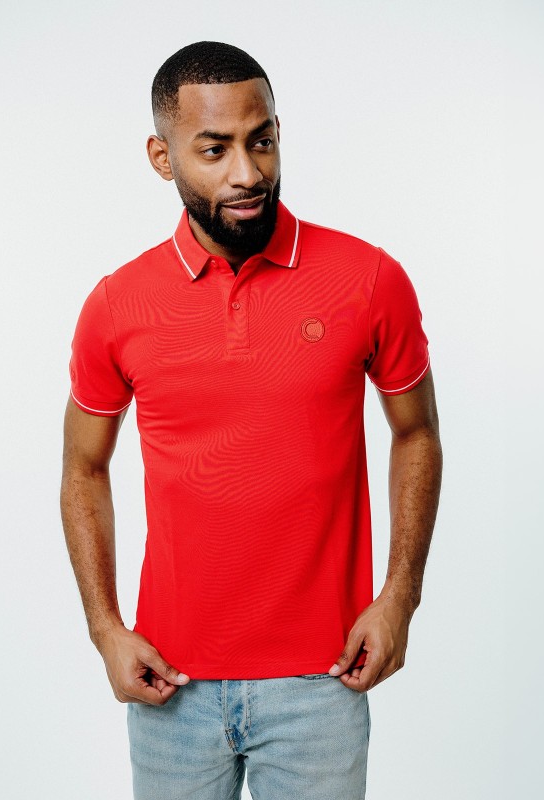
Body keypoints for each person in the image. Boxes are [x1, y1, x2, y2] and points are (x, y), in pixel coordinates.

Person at [60, 40, 442, 800]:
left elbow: (416, 432)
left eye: (261, 140)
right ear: (162, 158)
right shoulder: (117, 304)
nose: (247, 172)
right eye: (215, 150)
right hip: (170, 682)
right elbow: (83, 466)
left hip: (323, 680)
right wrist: (105, 628)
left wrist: (400, 596)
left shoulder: (368, 279)